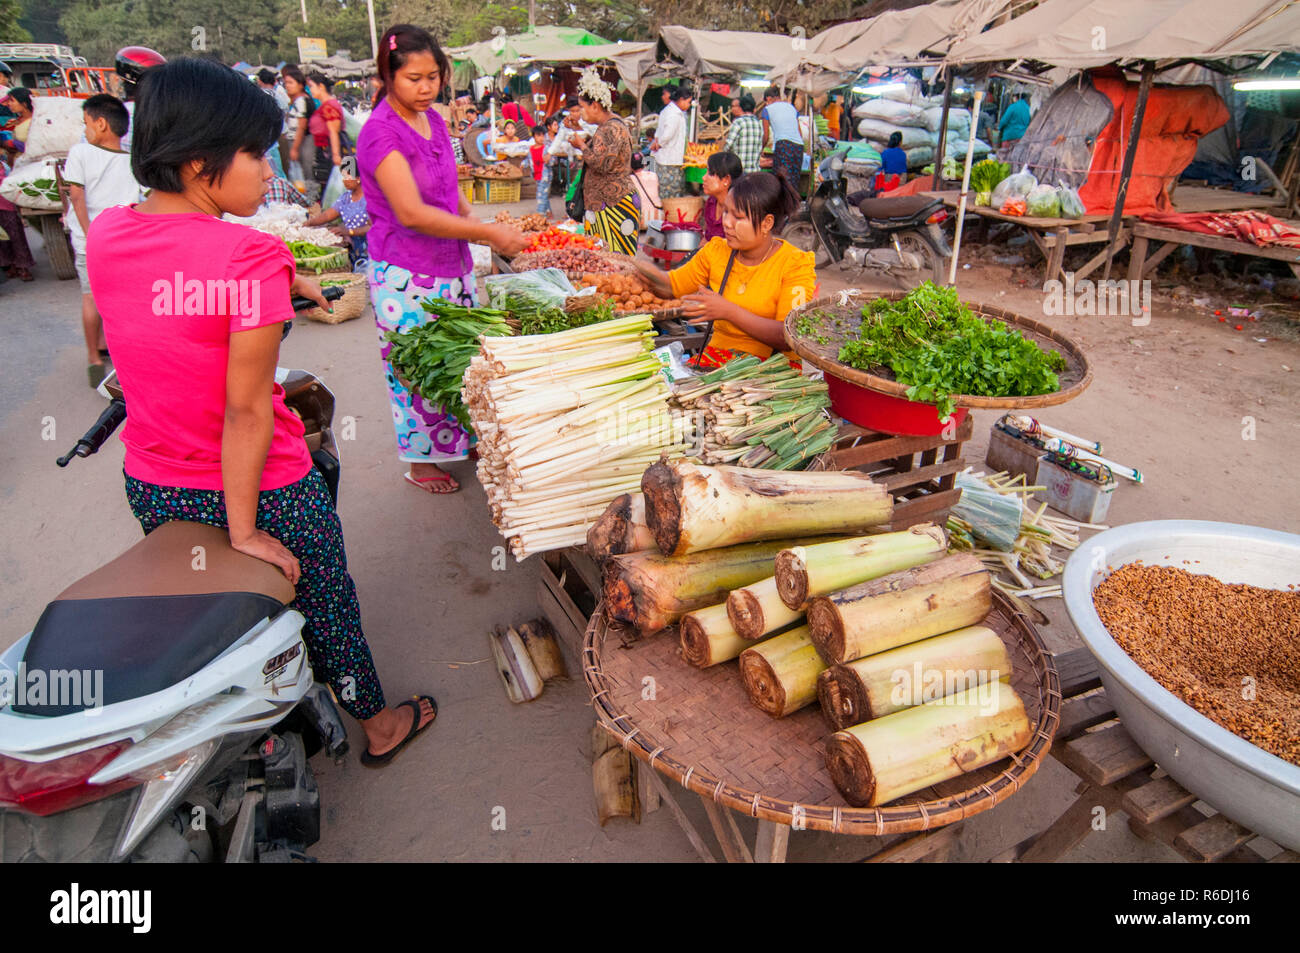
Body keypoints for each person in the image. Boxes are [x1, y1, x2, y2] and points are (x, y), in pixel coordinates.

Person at [87, 57, 437, 766]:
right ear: (196, 163)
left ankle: (266, 716)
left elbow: (175, 299)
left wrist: (292, 279)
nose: (267, 171)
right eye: (253, 153)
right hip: (263, 486)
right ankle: (378, 726)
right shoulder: (247, 256)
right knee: (326, 599)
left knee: (213, 610)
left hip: (154, 479)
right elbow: (246, 413)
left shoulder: (108, 234)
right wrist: (245, 529)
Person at [358, 24, 526, 495]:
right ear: (387, 76)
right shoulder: (379, 133)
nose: (426, 87)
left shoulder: (432, 120)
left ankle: (463, 437)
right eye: (414, 78)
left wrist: (477, 216)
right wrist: (487, 233)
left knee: (463, 359)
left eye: (434, 76)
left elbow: (446, 187)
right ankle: (422, 461)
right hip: (406, 270)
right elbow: (411, 212)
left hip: (452, 262)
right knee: (417, 366)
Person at [634, 171, 814, 370]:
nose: (726, 223)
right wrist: (637, 269)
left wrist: (728, 311)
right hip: (717, 360)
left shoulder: (795, 263)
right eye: (726, 211)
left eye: (738, 217)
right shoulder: (717, 251)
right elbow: (672, 287)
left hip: (771, 373)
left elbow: (789, 335)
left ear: (766, 223)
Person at [64, 94, 140, 388]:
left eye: (86, 123)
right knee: (122, 297)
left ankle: (94, 359)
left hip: (90, 241)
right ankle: (119, 353)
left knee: (90, 297)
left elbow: (76, 196)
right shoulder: (134, 160)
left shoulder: (81, 153)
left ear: (101, 123)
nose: (85, 130)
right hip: (123, 242)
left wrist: (89, 232)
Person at [571, 67, 639, 256]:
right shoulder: (611, 124)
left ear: (595, 106)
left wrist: (581, 146)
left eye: (582, 108)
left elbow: (602, 164)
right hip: (608, 205)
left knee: (611, 261)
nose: (581, 113)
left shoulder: (609, 129)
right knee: (610, 260)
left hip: (612, 206)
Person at [307, 156, 369, 267]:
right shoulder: (345, 198)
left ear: (358, 178)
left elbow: (371, 227)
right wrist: (309, 223)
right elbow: (327, 215)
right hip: (352, 250)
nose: (344, 181)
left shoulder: (370, 199)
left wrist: (348, 231)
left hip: (368, 251)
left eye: (347, 177)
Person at [305, 71, 346, 189]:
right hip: (325, 151)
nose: (310, 90)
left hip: (329, 152)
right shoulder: (326, 105)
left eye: (311, 86)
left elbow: (333, 131)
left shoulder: (329, 106)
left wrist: (336, 155)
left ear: (321, 86)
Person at [761, 86, 803, 196]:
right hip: (798, 146)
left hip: (784, 145)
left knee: (782, 180)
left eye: (766, 101)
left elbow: (766, 135)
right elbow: (799, 132)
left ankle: (784, 208)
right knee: (794, 180)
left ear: (769, 98)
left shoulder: (767, 110)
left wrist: (760, 149)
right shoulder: (791, 107)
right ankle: (793, 207)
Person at [650, 85, 691, 199]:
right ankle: (669, 213)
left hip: (670, 157)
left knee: (670, 190)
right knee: (670, 192)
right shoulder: (673, 113)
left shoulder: (672, 111)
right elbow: (667, 134)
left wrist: (657, 142)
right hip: (669, 159)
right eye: (688, 102)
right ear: (681, 100)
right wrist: (659, 144)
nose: (689, 105)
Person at [281, 66, 315, 182]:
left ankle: (309, 197)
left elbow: (302, 126)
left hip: (300, 142)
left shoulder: (301, 101)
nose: (287, 86)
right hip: (300, 141)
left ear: (300, 85)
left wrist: (294, 148)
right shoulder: (300, 100)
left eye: (291, 83)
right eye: (286, 83)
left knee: (305, 174)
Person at [700, 150, 742, 241]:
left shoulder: (739, 210)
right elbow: (707, 239)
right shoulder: (711, 203)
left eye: (710, 173)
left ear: (726, 180)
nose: (703, 177)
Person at [725, 93, 763, 174]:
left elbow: (728, 145)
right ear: (754, 109)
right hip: (755, 171)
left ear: (741, 107)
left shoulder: (738, 122)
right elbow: (760, 146)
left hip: (740, 171)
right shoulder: (759, 124)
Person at [629, 152, 661, 229]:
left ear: (630, 166)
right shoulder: (654, 175)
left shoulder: (629, 179)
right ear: (644, 164)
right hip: (657, 219)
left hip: (641, 221)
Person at [0, 87, 32, 161]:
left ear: (24, 104)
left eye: (12, 100)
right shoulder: (18, 120)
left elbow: (35, 146)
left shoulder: (33, 122)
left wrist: (13, 144)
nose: (8, 104)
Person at [529, 124, 553, 217]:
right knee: (544, 194)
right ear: (534, 136)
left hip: (545, 176)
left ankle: (540, 214)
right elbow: (528, 159)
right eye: (538, 135)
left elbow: (552, 160)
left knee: (541, 195)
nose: (541, 138)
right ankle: (548, 211)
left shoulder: (547, 149)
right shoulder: (531, 149)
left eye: (543, 135)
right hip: (537, 175)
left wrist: (549, 160)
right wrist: (523, 165)